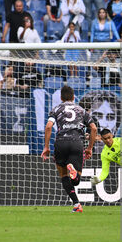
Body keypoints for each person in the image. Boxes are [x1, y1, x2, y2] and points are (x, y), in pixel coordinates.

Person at [41, 85, 97, 213]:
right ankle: (75, 174)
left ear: (61, 98)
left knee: (63, 176)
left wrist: (46, 147)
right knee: (76, 181)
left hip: (61, 143)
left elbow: (49, 127)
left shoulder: (56, 109)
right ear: (73, 97)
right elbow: (93, 129)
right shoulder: (81, 110)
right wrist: (89, 148)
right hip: (77, 143)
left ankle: (77, 204)